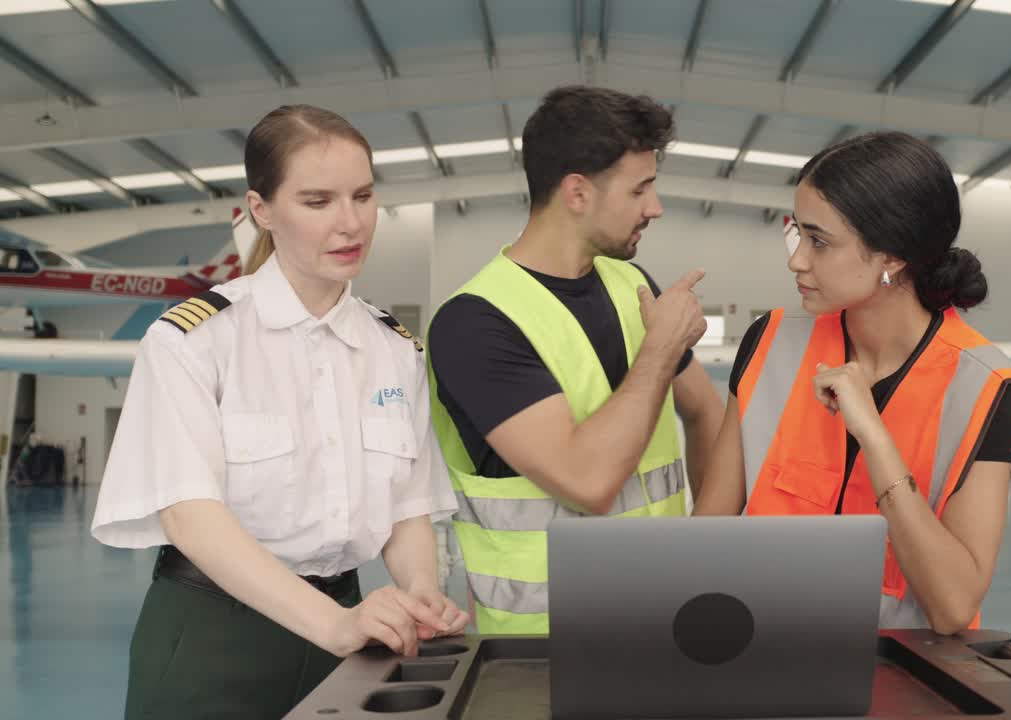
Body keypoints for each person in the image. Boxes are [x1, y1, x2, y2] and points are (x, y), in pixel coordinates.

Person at [90, 104, 469, 720]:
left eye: (364, 196)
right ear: (261, 210)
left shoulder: (394, 348)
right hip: (214, 634)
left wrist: (421, 595)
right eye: (317, 202)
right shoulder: (194, 340)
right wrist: (336, 626)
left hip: (350, 634)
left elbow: (407, 509)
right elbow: (191, 516)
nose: (351, 223)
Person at [693, 131, 1011, 634]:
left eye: (819, 241)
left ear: (893, 258)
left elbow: (953, 607)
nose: (796, 260)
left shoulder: (987, 387)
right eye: (796, 234)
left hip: (904, 685)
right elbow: (707, 538)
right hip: (761, 660)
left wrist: (876, 440)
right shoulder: (769, 342)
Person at [427, 85, 724, 634]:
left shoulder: (632, 283)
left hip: (669, 620)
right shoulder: (474, 323)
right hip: (542, 649)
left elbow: (709, 414)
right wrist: (660, 349)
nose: (654, 208)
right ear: (578, 192)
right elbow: (587, 480)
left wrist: (704, 543)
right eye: (640, 190)